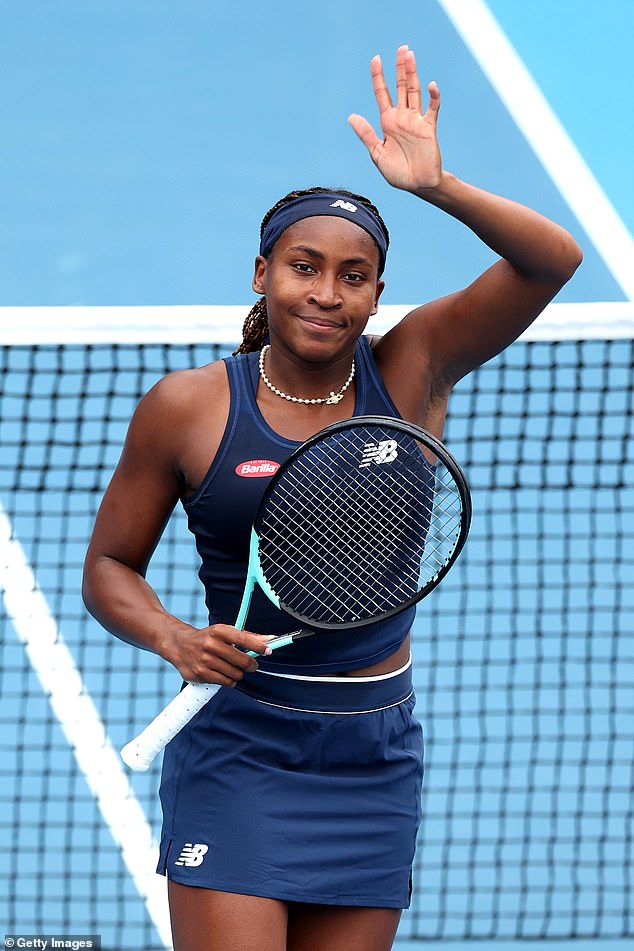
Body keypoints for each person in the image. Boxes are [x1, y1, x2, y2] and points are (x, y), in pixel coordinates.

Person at [82, 46, 582, 951]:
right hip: (241, 748)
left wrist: (440, 187)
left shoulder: (415, 365)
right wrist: (171, 635)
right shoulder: (189, 408)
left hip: (372, 756)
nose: (326, 293)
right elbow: (110, 566)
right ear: (261, 272)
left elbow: (552, 261)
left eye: (353, 277)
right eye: (303, 267)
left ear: (377, 292)